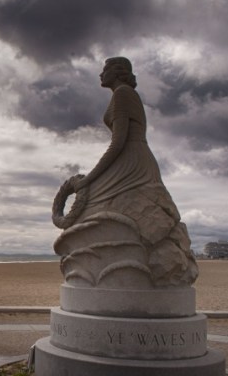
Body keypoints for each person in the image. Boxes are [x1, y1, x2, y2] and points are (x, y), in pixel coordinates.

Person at [68, 57, 197, 287]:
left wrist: (90, 178)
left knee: (95, 205)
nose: (100, 74)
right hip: (131, 158)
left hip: (131, 162)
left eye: (105, 69)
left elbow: (118, 143)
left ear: (117, 73)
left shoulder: (123, 94)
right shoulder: (124, 93)